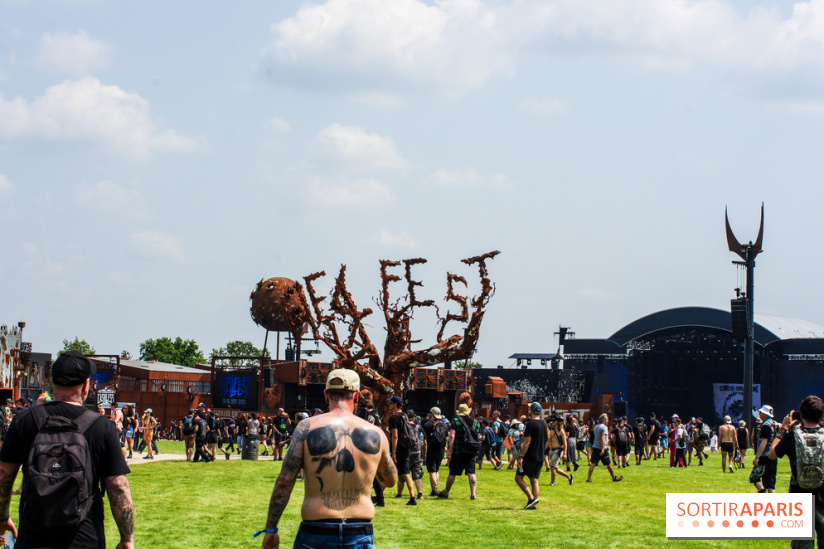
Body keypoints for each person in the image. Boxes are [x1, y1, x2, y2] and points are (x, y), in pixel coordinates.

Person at [0, 350, 134, 549]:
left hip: (33, 538)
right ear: (87, 385)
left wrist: (3, 518)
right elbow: (117, 486)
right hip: (85, 538)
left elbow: (3, 477)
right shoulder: (101, 427)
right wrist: (126, 539)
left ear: (52, 382)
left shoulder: (25, 420)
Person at [258, 369, 396, 549]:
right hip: (359, 531)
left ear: (326, 394)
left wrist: (271, 529)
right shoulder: (376, 433)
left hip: (316, 531)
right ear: (356, 396)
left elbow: (285, 480)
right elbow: (390, 480)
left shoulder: (306, 427)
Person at [768, 395, 824, 549]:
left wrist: (783, 429)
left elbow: (772, 454)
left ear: (802, 414)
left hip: (800, 500)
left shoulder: (793, 436)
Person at [439, 403, 481, 500]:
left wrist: (449, 450)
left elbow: (452, 436)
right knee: (471, 472)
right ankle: (473, 494)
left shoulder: (456, 421)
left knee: (452, 472)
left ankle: (446, 492)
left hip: (459, 450)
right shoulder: (476, 422)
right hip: (472, 450)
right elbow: (478, 436)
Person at [515, 402, 548, 509]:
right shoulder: (544, 424)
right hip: (540, 456)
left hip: (530, 456)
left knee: (518, 478)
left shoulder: (530, 424)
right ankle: (532, 504)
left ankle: (531, 498)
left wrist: (521, 457)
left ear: (531, 411)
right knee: (534, 480)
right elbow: (547, 439)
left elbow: (527, 442)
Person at [387, 396, 416, 506]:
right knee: (391, 470)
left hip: (399, 448)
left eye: (390, 403)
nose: (389, 405)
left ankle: (413, 497)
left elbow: (395, 435)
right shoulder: (405, 416)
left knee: (405, 473)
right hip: (406, 445)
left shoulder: (394, 417)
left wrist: (393, 452)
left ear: (394, 404)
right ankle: (379, 495)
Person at [586, 413, 622, 483]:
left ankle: (589, 478)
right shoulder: (604, 427)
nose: (608, 421)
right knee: (608, 463)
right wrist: (603, 447)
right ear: (604, 420)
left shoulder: (596, 426)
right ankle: (614, 477)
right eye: (607, 419)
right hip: (601, 448)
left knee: (593, 463)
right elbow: (603, 437)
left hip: (595, 447)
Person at [421, 407, 447, 495]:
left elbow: (424, 439)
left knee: (432, 471)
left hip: (431, 450)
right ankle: (436, 488)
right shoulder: (444, 425)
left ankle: (434, 490)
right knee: (436, 470)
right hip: (441, 450)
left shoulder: (427, 425)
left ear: (432, 414)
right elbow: (446, 438)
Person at [753, 404, 779, 493]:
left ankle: (762, 492)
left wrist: (757, 457)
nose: (759, 413)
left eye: (761, 412)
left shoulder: (765, 426)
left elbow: (764, 442)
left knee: (754, 476)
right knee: (770, 480)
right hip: (773, 454)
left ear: (765, 414)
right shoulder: (774, 424)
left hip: (764, 456)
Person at [546, 414, 573, 486]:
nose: (552, 422)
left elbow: (565, 443)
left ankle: (552, 482)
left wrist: (565, 453)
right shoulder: (551, 431)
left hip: (558, 450)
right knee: (555, 468)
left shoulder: (561, 431)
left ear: (557, 422)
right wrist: (543, 449)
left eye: (554, 421)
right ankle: (569, 476)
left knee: (552, 466)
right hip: (552, 450)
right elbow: (549, 441)